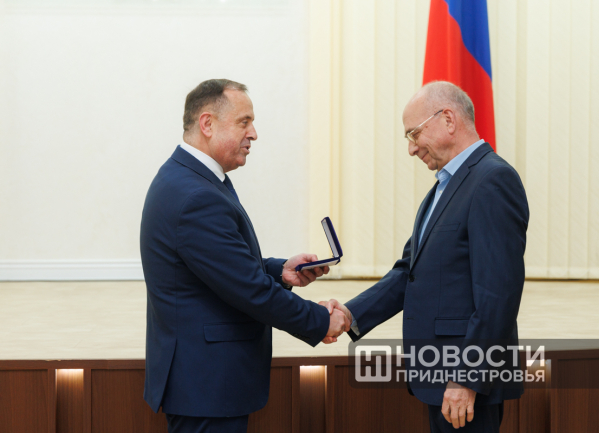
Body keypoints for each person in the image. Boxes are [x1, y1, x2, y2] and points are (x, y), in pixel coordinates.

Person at [140, 79, 350, 433]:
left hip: (205, 382)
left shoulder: (187, 179)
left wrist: (280, 272)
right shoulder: (195, 196)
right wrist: (319, 320)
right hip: (207, 386)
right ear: (207, 124)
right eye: (244, 122)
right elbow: (249, 289)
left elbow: (223, 266)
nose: (253, 133)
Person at [323, 81, 529, 432]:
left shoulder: (493, 180)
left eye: (414, 134)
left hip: (465, 382)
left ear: (448, 119)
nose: (411, 148)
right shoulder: (444, 188)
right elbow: (409, 272)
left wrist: (467, 378)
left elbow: (499, 295)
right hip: (440, 376)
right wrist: (349, 315)